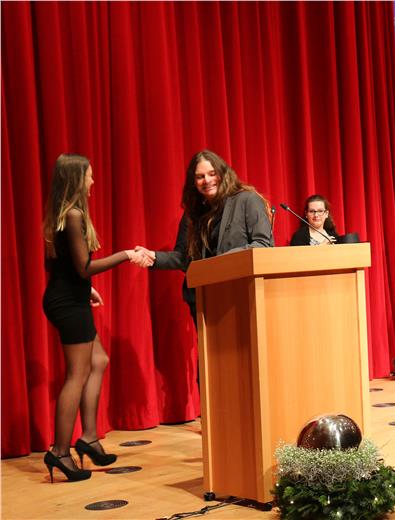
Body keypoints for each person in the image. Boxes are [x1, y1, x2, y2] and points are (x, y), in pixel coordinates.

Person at [42, 154, 152, 482]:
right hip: (67, 304)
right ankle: (60, 452)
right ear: (77, 179)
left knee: (99, 360)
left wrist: (87, 290)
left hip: (71, 298)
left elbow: (64, 267)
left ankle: (89, 438)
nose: (93, 181)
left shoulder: (66, 214)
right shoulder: (73, 215)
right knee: (77, 374)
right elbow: (83, 268)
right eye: (89, 176)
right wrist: (126, 255)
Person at [135, 150, 274, 323]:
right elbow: (184, 258)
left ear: (223, 173)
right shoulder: (192, 214)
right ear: (193, 182)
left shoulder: (247, 200)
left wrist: (219, 263)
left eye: (212, 174)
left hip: (242, 295)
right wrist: (153, 257)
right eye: (200, 177)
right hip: (204, 300)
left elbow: (262, 245)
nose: (207, 180)